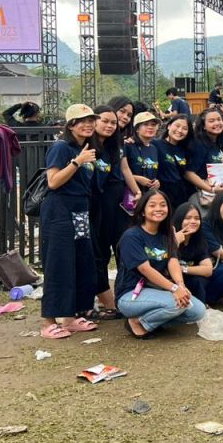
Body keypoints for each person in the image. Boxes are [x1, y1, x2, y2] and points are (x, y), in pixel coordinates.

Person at [38, 104, 100, 339]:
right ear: (70, 125)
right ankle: (49, 321)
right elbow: (53, 182)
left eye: (90, 120)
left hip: (80, 210)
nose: (88, 125)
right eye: (80, 121)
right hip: (59, 210)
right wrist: (77, 162)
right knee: (58, 263)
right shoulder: (62, 148)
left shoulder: (84, 148)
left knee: (81, 262)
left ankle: (72, 317)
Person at [116, 189, 206, 339]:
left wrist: (180, 285)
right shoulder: (132, 236)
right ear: (143, 211)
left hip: (158, 291)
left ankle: (154, 320)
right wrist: (174, 288)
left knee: (198, 311)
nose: (158, 209)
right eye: (152, 205)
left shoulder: (167, 234)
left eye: (163, 205)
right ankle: (138, 322)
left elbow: (172, 260)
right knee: (176, 305)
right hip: (130, 295)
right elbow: (145, 269)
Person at [87, 105, 138, 321]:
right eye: (105, 121)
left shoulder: (117, 144)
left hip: (118, 205)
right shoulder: (87, 145)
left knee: (121, 248)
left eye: (113, 123)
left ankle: (122, 294)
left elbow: (125, 169)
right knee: (98, 252)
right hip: (96, 205)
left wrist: (137, 193)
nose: (110, 125)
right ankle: (105, 300)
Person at [171, 202, 217, 304]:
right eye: (188, 218)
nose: (193, 221)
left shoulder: (199, 240)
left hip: (190, 278)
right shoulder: (169, 238)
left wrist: (183, 269)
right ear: (179, 219)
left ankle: (201, 305)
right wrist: (175, 243)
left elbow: (208, 269)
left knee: (199, 280)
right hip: (171, 281)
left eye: (197, 218)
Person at [156, 113, 193, 209]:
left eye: (185, 129)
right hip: (162, 194)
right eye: (177, 126)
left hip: (181, 195)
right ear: (168, 126)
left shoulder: (185, 149)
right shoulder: (156, 144)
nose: (180, 130)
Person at [126, 111, 162, 195]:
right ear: (137, 129)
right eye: (145, 124)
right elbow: (120, 173)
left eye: (153, 125)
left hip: (149, 195)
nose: (150, 127)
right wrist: (136, 178)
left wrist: (156, 182)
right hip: (131, 195)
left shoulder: (154, 148)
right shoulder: (128, 146)